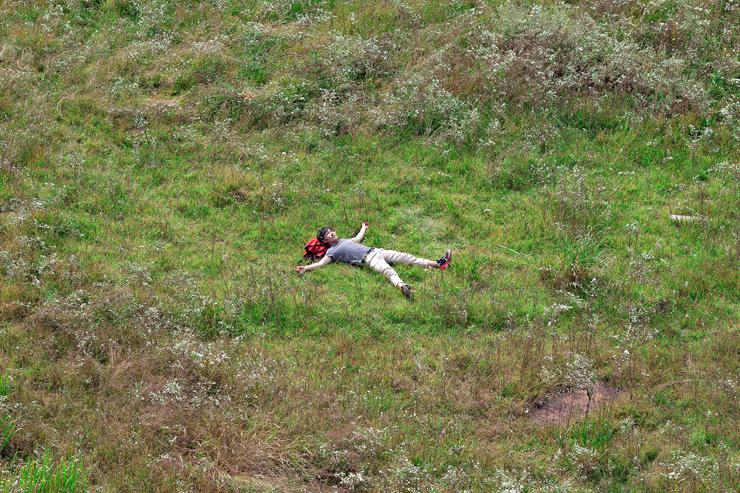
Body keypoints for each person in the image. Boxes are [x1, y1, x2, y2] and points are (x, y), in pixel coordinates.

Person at [295, 221, 451, 299]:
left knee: (408, 258)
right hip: (367, 258)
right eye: (328, 234)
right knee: (388, 271)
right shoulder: (331, 251)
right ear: (324, 240)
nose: (332, 234)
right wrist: (305, 268)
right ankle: (403, 288)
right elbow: (321, 263)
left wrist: (364, 227)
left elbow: (358, 238)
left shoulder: (344, 240)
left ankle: (439, 264)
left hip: (377, 251)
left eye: (332, 231)